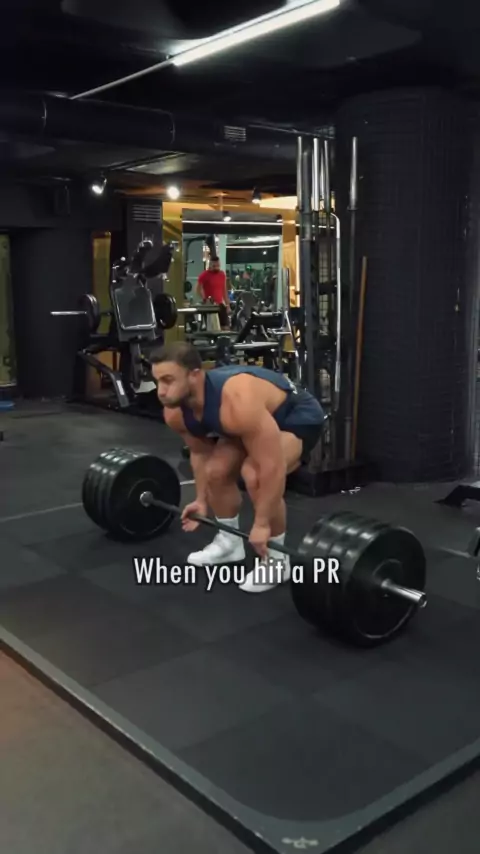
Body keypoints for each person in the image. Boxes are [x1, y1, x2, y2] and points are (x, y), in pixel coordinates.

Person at [151, 341, 325, 594]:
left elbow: (272, 467)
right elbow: (200, 454)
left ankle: (277, 560)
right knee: (216, 471)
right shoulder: (175, 412)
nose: (161, 391)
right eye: (157, 381)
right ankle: (229, 544)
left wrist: (262, 524)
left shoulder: (237, 401)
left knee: (255, 474)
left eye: (168, 380)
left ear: (194, 375)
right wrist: (201, 500)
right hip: (252, 421)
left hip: (294, 415)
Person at [196, 257, 230, 329]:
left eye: (218, 266)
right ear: (210, 265)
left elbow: (224, 291)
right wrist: (205, 299)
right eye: (214, 266)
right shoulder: (204, 275)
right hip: (209, 306)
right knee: (212, 327)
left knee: (225, 327)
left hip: (220, 305)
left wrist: (227, 305)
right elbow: (198, 289)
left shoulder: (222, 275)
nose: (216, 268)